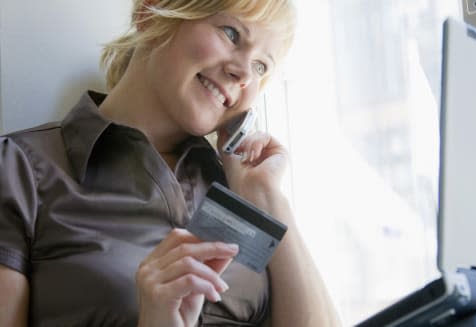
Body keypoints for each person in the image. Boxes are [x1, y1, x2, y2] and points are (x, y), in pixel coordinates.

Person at [0, 0, 341, 326]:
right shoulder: (19, 170)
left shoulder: (240, 192)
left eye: (261, 66)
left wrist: (267, 199)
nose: (243, 74)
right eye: (232, 34)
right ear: (150, 11)